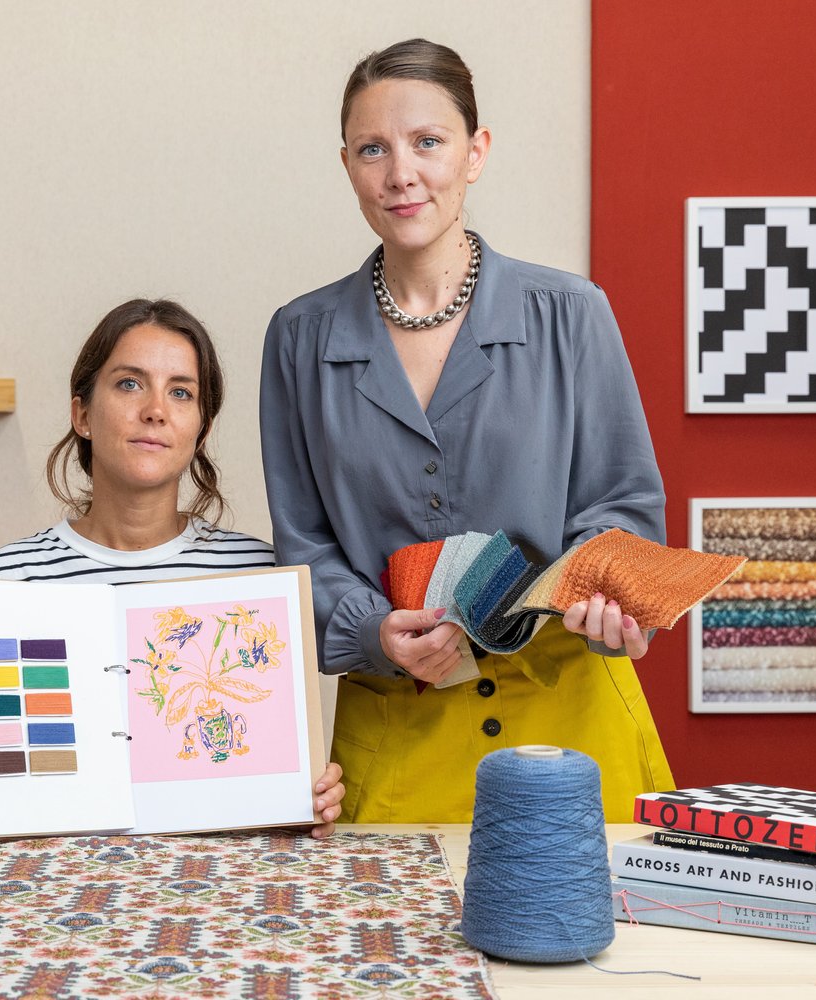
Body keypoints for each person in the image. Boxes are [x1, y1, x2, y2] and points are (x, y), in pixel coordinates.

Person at [259, 39, 674, 825]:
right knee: (384, 948)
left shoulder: (571, 312)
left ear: (475, 153)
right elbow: (303, 547)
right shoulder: (299, 339)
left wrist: (603, 592)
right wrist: (375, 630)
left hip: (572, 735)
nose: (400, 173)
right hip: (395, 729)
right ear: (346, 165)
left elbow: (622, 505)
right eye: (372, 149)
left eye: (428, 142)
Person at [0, 298, 346, 837]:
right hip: (48, 891)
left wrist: (310, 791)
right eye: (130, 383)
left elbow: (268, 765)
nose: (155, 409)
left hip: (211, 890)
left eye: (181, 392)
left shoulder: (259, 578)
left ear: (200, 432)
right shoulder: (0, 581)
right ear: (82, 414)